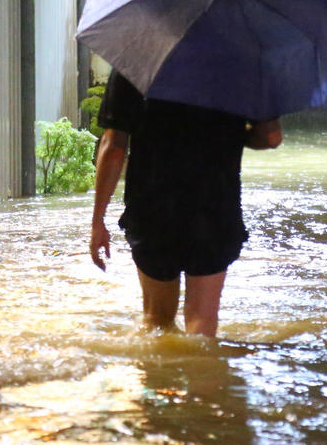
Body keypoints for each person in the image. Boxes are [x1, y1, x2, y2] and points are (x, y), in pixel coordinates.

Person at [89, 71, 282, 337]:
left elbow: (113, 146)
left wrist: (98, 220)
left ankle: (158, 377)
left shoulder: (136, 60)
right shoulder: (241, 63)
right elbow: (271, 137)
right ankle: (203, 374)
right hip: (214, 205)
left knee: (156, 322)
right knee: (202, 325)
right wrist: (235, 134)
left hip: (152, 206)